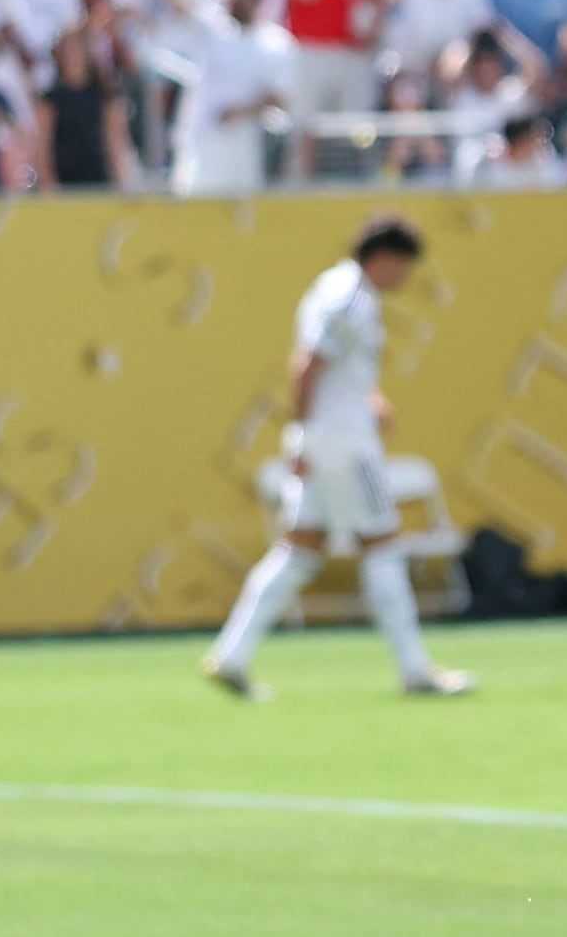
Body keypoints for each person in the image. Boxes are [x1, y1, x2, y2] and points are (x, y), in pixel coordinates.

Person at [199, 214, 474, 704]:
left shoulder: (337, 288)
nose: (405, 279)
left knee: (298, 550)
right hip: (344, 443)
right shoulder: (350, 299)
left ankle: (231, 655)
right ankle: (415, 669)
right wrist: (302, 437)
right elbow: (307, 366)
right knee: (383, 544)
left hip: (331, 434)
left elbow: (329, 371)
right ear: (385, 258)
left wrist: (364, 400)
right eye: (404, 267)